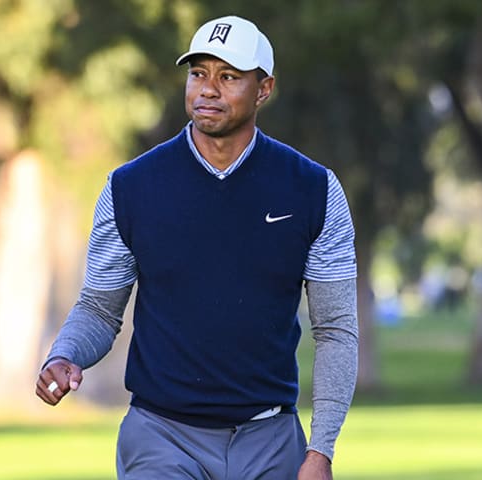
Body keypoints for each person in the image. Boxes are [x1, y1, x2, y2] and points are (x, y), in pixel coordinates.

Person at [36, 15, 358, 480]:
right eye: (198, 73)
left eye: (228, 77)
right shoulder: (130, 188)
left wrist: (321, 450)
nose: (208, 89)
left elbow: (335, 330)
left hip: (271, 439)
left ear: (264, 89)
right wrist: (64, 355)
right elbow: (100, 309)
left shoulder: (314, 190)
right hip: (161, 435)